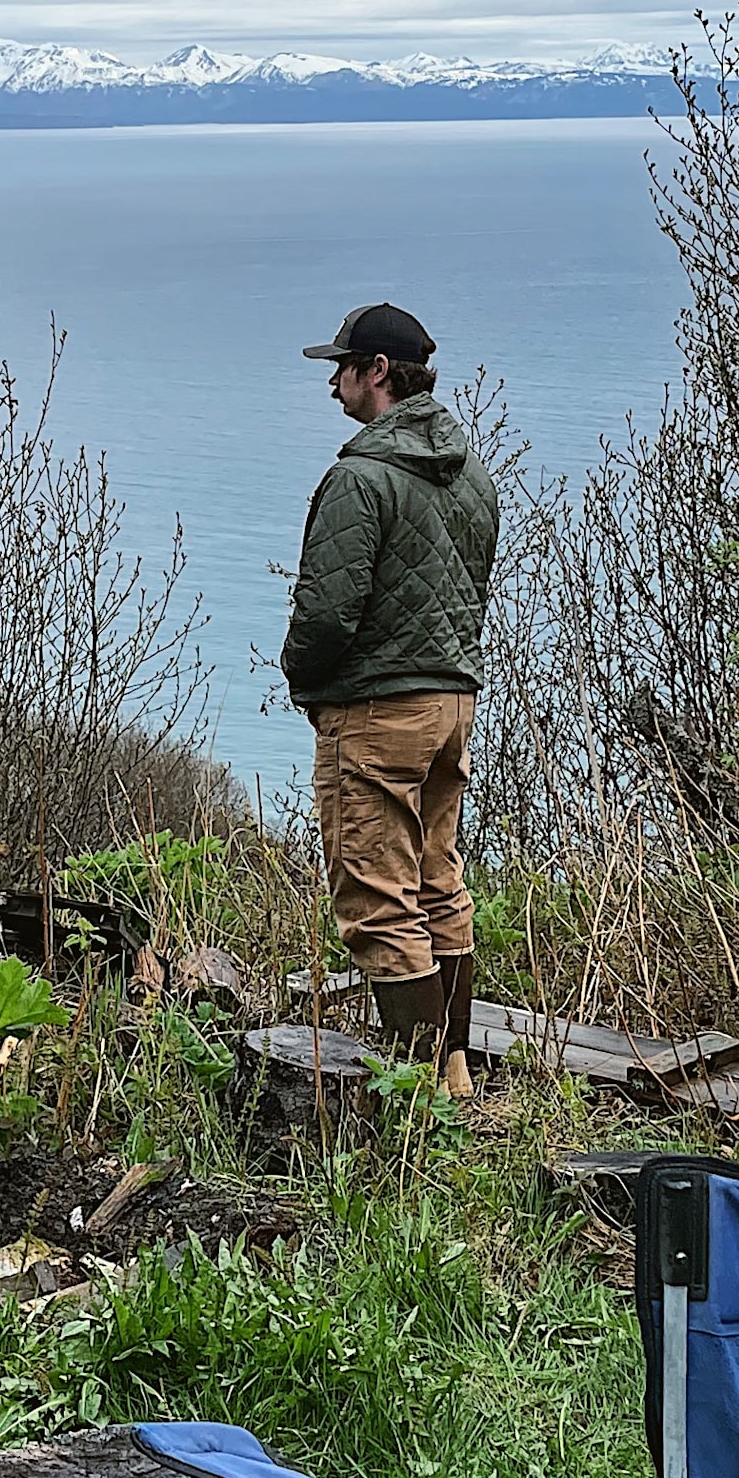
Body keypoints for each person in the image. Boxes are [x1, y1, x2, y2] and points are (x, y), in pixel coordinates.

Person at [282, 303, 499, 1097]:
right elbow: (469, 594)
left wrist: (303, 677)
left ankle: (417, 1104)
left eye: (342, 367)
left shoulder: (358, 478)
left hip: (375, 711)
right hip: (451, 704)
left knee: (376, 901)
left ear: (378, 372)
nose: (332, 383)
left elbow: (328, 612)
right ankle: (455, 1073)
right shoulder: (472, 478)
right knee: (438, 881)